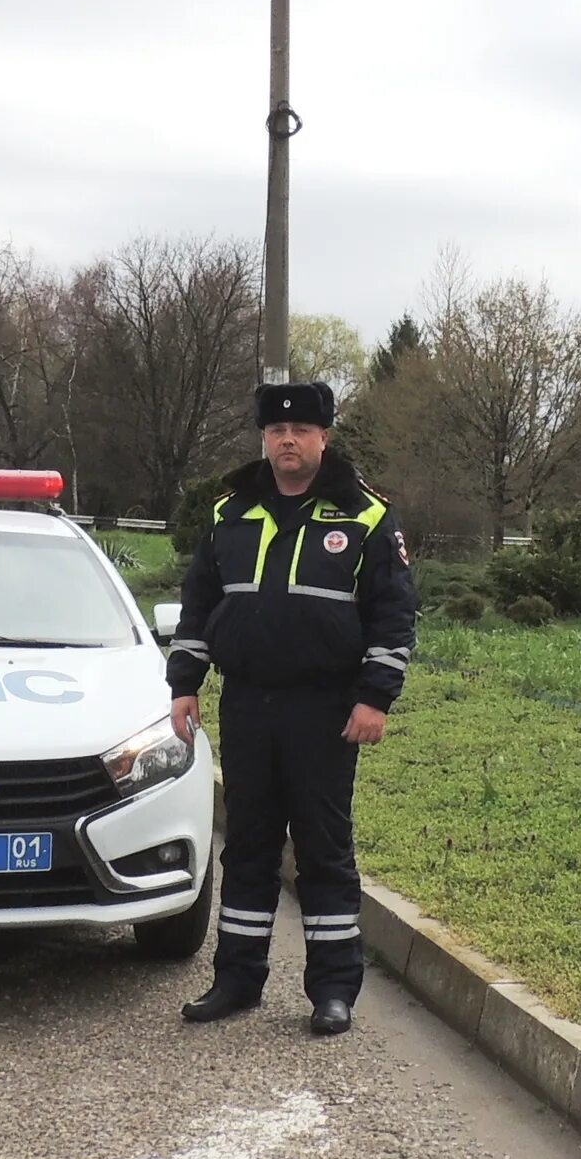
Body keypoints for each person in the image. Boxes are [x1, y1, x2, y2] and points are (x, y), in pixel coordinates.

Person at [166, 380, 416, 1035]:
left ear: (323, 437)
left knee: (323, 852)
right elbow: (198, 605)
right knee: (246, 847)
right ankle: (237, 981)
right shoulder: (230, 514)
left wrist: (374, 698)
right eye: (277, 431)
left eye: (302, 430)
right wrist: (184, 682)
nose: (288, 441)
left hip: (326, 710)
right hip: (247, 704)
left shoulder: (363, 516)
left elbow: (394, 615)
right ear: (263, 438)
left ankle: (333, 990)